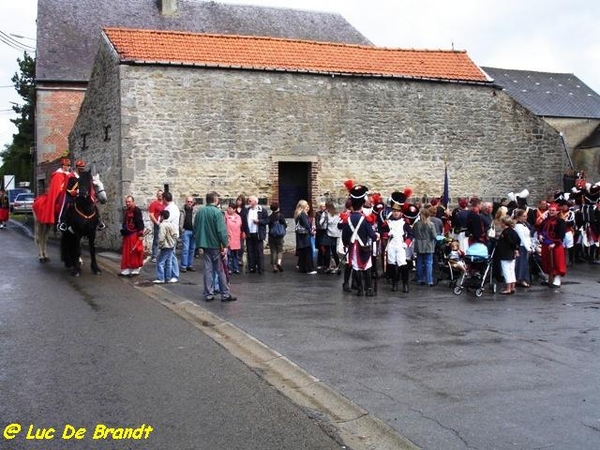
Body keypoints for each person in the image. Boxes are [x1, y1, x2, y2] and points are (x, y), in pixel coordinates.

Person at [193, 191, 236, 302]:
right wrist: (225, 244)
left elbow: (196, 228)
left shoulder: (200, 212)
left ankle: (209, 293)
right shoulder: (217, 212)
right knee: (220, 269)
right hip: (216, 244)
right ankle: (225, 294)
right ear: (215, 200)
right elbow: (221, 230)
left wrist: (199, 242)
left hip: (204, 244)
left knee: (208, 269)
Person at [341, 183, 378, 296]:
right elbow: (372, 235)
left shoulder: (348, 219)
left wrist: (346, 244)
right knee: (366, 267)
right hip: (364, 247)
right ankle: (369, 289)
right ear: (362, 204)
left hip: (353, 247)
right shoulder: (365, 219)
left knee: (356, 267)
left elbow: (345, 236)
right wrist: (377, 236)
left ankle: (360, 290)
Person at [384, 201, 412, 292]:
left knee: (403, 264)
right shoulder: (387, 222)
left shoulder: (405, 222)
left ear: (400, 212)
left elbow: (411, 235)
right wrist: (387, 234)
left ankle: (405, 284)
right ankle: (394, 283)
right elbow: (381, 232)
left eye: (397, 211)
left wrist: (406, 243)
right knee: (391, 264)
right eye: (394, 211)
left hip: (401, 245)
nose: (396, 213)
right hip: (391, 245)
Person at [538, 203, 567, 287]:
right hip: (545, 244)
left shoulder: (560, 221)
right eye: (550, 210)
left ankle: (557, 279)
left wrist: (555, 243)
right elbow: (540, 229)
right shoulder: (545, 220)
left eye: (553, 210)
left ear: (557, 211)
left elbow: (561, 234)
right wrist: (539, 235)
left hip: (555, 245)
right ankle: (549, 278)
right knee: (546, 261)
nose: (551, 212)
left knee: (557, 262)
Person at [241, 195, 268, 274]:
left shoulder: (262, 210)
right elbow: (243, 222)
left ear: (255, 202)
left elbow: (266, 220)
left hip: (258, 233)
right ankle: (251, 267)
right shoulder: (247, 210)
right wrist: (244, 231)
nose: (248, 202)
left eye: (250, 201)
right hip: (249, 233)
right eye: (248, 201)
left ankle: (260, 268)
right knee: (250, 251)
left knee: (259, 251)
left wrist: (259, 221)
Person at [120, 195, 145, 276]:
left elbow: (140, 222)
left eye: (129, 202)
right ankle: (126, 269)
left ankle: (135, 269)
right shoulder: (126, 211)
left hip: (134, 234)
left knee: (134, 252)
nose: (127, 203)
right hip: (127, 234)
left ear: (133, 202)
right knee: (126, 252)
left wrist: (140, 234)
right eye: (126, 202)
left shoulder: (137, 210)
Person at [412, 207, 437, 286]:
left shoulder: (416, 224)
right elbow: (434, 236)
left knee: (419, 262)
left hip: (419, 244)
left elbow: (413, 234)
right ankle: (429, 281)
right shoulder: (431, 224)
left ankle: (420, 279)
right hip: (428, 244)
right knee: (428, 263)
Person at [496, 216, 521, 294]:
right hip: (512, 253)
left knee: (506, 271)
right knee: (511, 270)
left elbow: (510, 242)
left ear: (504, 223)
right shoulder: (513, 231)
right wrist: (516, 249)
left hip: (505, 253)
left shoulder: (505, 232)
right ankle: (513, 286)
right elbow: (518, 240)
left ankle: (508, 288)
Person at [153, 209, 178, 284]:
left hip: (165, 246)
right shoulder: (171, 225)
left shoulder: (162, 225)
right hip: (171, 245)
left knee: (160, 262)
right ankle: (168, 277)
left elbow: (161, 237)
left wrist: (160, 245)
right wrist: (173, 242)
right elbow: (175, 235)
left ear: (162, 216)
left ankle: (161, 278)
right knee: (169, 262)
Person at [294, 200, 317, 274]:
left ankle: (302, 268)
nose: (308, 207)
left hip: (300, 236)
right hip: (305, 236)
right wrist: (312, 231)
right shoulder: (303, 214)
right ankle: (308, 269)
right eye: (306, 205)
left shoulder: (297, 214)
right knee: (307, 252)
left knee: (302, 253)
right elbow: (307, 225)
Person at [162, 191, 180, 282]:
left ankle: (175, 274)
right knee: (170, 255)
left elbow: (167, 219)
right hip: (169, 234)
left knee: (172, 254)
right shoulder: (170, 207)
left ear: (165, 199)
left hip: (171, 234)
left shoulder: (172, 208)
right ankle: (169, 274)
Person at [514, 208, 533, 287]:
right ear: (519, 217)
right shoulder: (518, 226)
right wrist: (528, 248)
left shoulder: (524, 225)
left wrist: (530, 246)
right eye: (524, 216)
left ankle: (521, 279)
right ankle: (520, 279)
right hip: (522, 246)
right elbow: (522, 238)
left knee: (524, 263)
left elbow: (528, 237)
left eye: (526, 216)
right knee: (521, 264)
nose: (526, 217)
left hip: (525, 246)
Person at [179, 196, 197, 273]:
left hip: (193, 231)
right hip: (185, 231)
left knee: (192, 249)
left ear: (193, 203)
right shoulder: (182, 210)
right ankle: (183, 266)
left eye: (191, 202)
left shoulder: (195, 211)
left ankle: (190, 265)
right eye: (188, 201)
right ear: (185, 202)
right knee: (185, 249)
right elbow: (180, 221)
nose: (189, 203)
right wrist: (181, 229)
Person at [268, 202, 287, 273]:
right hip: (280, 235)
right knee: (280, 250)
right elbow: (285, 225)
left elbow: (269, 226)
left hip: (272, 235)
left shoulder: (270, 217)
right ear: (278, 208)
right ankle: (279, 262)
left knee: (273, 251)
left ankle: (274, 267)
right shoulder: (281, 215)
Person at [323, 201, 342, 274]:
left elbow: (328, 223)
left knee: (328, 251)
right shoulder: (338, 214)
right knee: (334, 251)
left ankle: (327, 267)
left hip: (329, 234)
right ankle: (338, 266)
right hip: (336, 234)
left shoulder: (327, 214)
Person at [225, 202, 243, 274]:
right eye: (228, 208)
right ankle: (228, 268)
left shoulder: (238, 217)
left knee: (235, 254)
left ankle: (235, 268)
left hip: (236, 238)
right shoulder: (225, 216)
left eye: (230, 208)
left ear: (234, 209)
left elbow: (239, 224)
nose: (228, 209)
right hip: (229, 238)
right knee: (228, 254)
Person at [148, 190, 164, 263]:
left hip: (165, 224)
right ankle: (154, 255)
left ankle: (162, 255)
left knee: (164, 239)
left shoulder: (165, 203)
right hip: (157, 224)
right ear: (157, 195)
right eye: (159, 194)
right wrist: (156, 222)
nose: (160, 195)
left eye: (161, 194)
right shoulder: (154, 204)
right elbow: (151, 214)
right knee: (156, 239)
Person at [314, 202, 328, 271]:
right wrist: (319, 227)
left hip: (326, 233)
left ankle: (326, 263)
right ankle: (320, 263)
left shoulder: (327, 213)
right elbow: (317, 223)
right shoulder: (318, 213)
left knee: (326, 249)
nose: (324, 207)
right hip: (320, 233)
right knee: (320, 248)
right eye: (322, 206)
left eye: (325, 206)